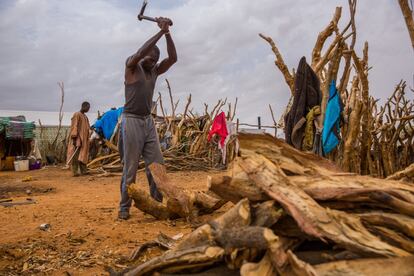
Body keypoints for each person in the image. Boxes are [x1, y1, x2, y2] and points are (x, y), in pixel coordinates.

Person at [118, 17, 177, 220]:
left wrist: (167, 33)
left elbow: (173, 58)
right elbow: (142, 52)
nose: (151, 63)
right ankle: (124, 208)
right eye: (149, 59)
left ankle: (156, 204)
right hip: (131, 119)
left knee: (156, 165)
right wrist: (161, 31)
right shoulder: (132, 66)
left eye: (154, 61)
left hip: (147, 121)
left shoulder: (153, 71)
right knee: (131, 167)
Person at [67, 102, 91, 176]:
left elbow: (87, 127)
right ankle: (75, 172)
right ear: (84, 106)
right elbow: (74, 126)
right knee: (76, 155)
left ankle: (83, 170)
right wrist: (74, 138)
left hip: (84, 140)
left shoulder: (85, 117)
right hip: (77, 139)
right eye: (88, 107)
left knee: (83, 155)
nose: (88, 109)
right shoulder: (77, 114)